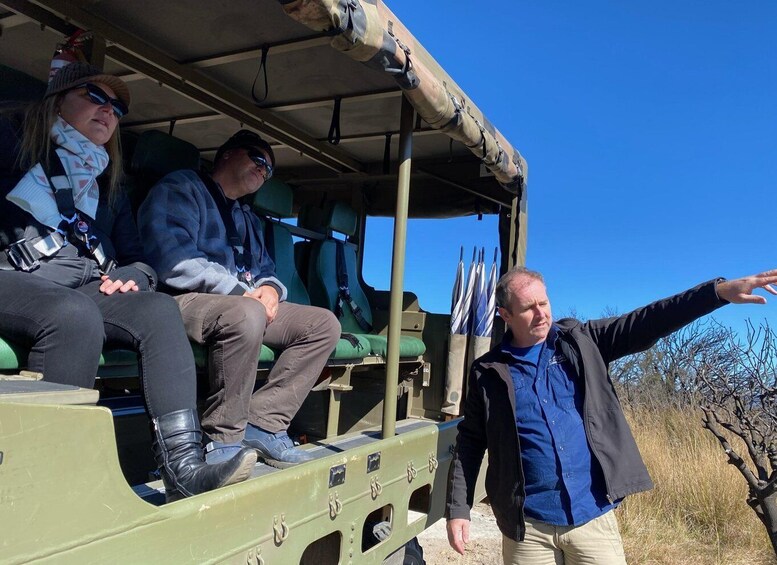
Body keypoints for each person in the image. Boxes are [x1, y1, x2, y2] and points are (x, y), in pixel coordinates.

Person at [0, 62, 258, 502]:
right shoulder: (14, 142)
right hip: (14, 276)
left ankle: (184, 469)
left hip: (85, 283)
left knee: (158, 309)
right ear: (57, 102)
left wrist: (132, 274)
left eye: (117, 108)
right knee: (73, 315)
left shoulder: (110, 185)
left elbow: (140, 260)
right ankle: (51, 483)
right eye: (95, 97)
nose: (109, 111)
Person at [445, 266, 777, 564]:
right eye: (528, 308)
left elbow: (648, 319)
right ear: (505, 314)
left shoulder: (581, 342)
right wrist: (459, 509)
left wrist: (717, 293)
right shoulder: (488, 371)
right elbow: (470, 442)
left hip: (592, 517)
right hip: (528, 526)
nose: (541, 314)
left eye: (544, 303)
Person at [138, 130, 341, 468]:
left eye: (269, 169)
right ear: (227, 154)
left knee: (323, 325)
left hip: (244, 305)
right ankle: (223, 439)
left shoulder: (246, 217)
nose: (263, 170)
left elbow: (266, 269)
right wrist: (242, 294)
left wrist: (271, 290)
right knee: (246, 313)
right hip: (182, 300)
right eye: (258, 159)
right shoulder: (181, 188)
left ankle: (264, 423)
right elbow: (172, 259)